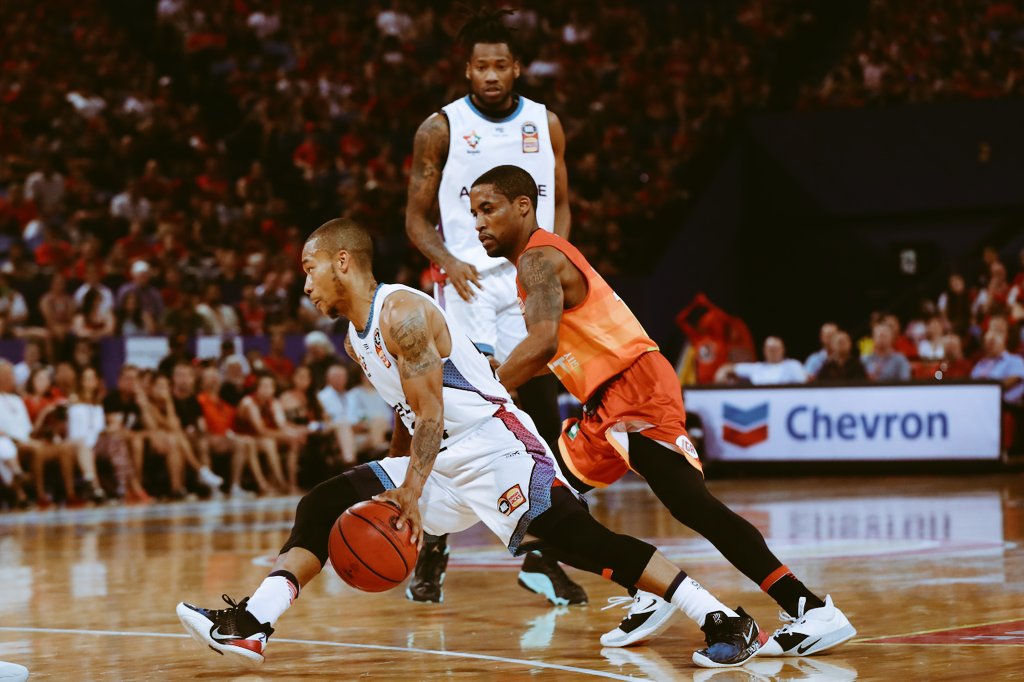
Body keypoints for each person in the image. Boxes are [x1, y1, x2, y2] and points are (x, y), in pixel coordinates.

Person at [176, 219, 766, 670]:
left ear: (343, 262)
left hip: (496, 447)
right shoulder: (356, 340)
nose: (305, 284)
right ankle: (253, 624)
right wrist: (395, 475)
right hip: (437, 458)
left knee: (584, 545)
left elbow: (433, 411)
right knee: (324, 502)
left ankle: (722, 618)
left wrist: (409, 491)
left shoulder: (402, 312)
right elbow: (409, 413)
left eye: (310, 269)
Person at [470, 164, 854, 654]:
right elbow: (557, 352)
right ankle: (648, 589)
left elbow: (543, 342)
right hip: (602, 406)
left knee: (691, 504)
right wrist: (508, 370)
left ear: (522, 206)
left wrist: (487, 388)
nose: (478, 223)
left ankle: (809, 608)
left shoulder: (538, 260)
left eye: (488, 209)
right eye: (473, 213)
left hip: (635, 388)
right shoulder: (535, 263)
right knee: (540, 514)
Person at [403, 6, 580, 606]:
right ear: (467, 69)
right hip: (468, 289)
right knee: (459, 420)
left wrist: (556, 258)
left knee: (543, 419)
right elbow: (415, 219)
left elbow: (561, 200)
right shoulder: (440, 128)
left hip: (528, 282)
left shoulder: (545, 123)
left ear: (517, 67)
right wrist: (447, 261)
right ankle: (433, 545)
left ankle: (543, 555)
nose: (492, 75)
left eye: (501, 65)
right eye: (481, 66)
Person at [715, 337, 807, 385]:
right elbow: (727, 369)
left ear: (783, 350)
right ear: (764, 351)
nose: (774, 352)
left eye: (776, 349)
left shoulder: (793, 365)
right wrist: (721, 376)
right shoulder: (757, 368)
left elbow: (802, 385)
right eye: (770, 349)